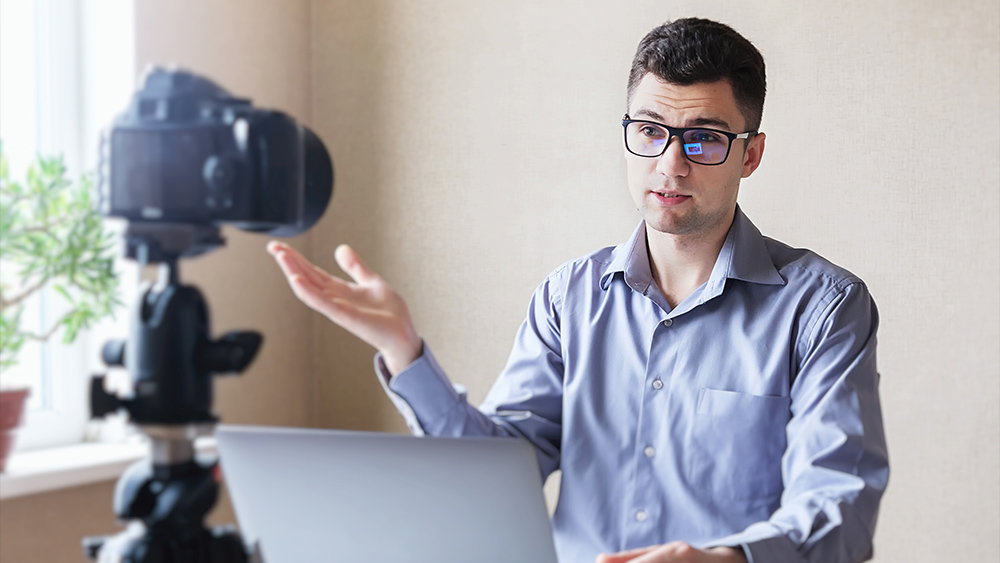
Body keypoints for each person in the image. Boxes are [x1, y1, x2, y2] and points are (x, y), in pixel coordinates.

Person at [267, 17, 889, 563]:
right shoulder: (570, 296)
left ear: (749, 155)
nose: (671, 164)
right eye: (650, 131)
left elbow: (842, 507)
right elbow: (499, 480)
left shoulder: (824, 307)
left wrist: (730, 560)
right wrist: (404, 351)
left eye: (703, 138)